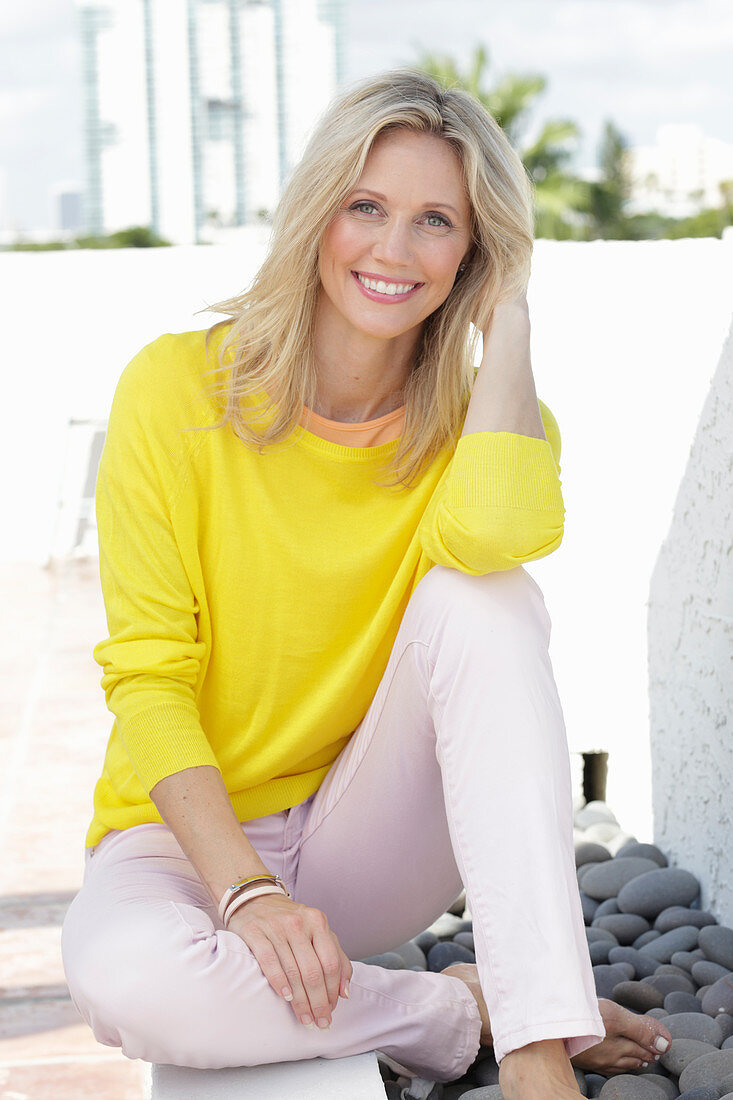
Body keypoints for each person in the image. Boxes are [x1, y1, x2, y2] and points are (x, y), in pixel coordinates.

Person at [61, 69, 671, 1099]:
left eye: (437, 222)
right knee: (125, 977)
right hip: (186, 839)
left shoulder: (487, 416)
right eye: (365, 207)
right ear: (317, 214)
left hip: (368, 832)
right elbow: (150, 679)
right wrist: (246, 891)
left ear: (474, 248)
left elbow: (493, 535)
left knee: (483, 595)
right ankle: (476, 1008)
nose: (392, 251)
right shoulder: (173, 390)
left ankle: (533, 1057)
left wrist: (509, 312)